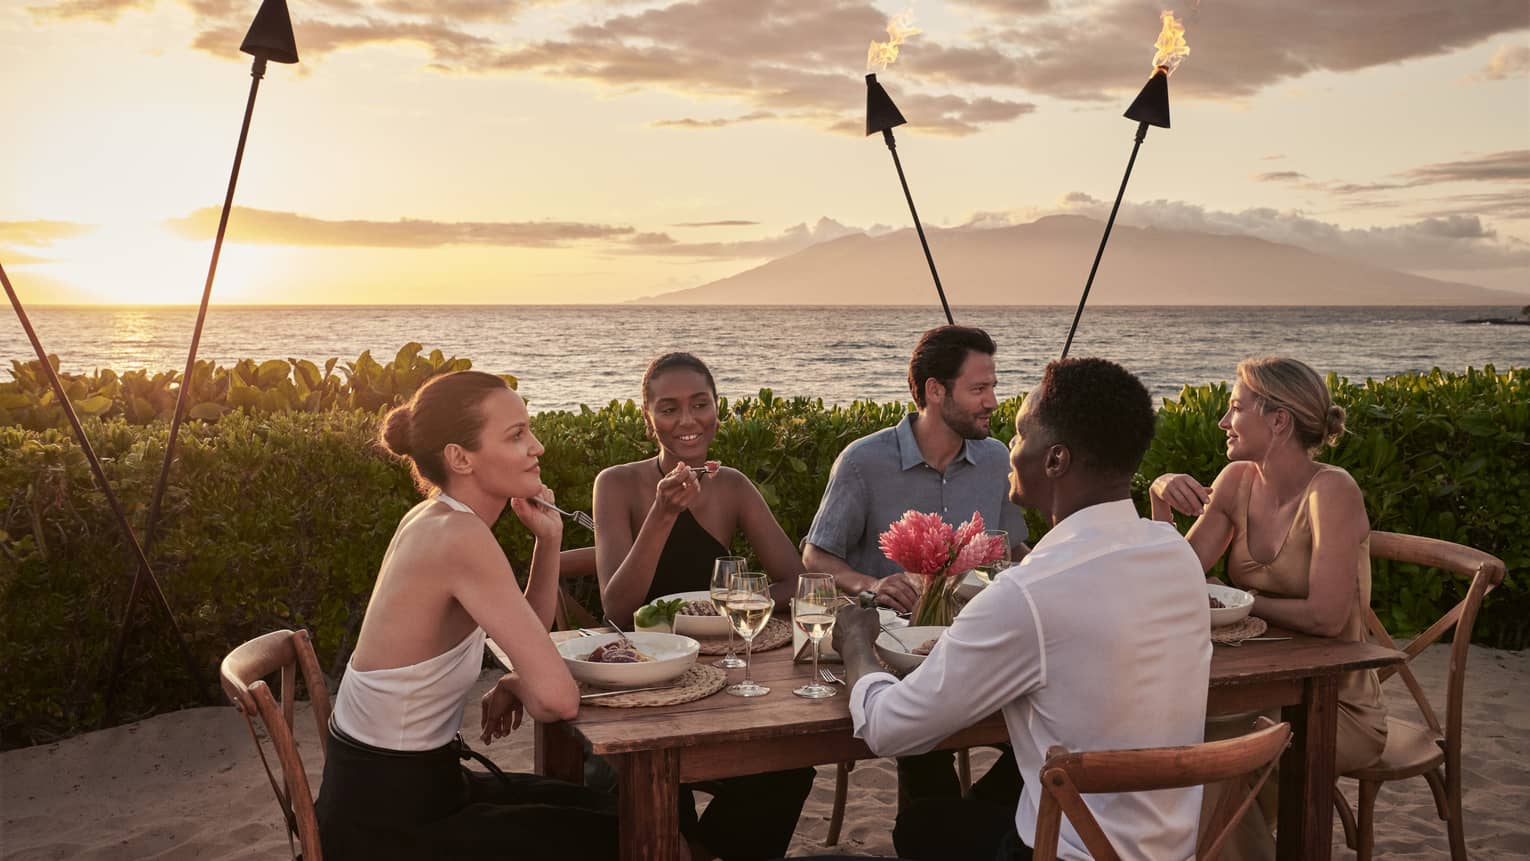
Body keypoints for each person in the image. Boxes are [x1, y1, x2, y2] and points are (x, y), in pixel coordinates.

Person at [832, 357, 1212, 861]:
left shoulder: (1028, 592)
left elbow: (889, 728)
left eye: (1019, 434)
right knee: (937, 820)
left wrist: (857, 641)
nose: (1009, 450)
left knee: (910, 831)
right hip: (1169, 849)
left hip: (1062, 852)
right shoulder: (1175, 554)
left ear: (1055, 460)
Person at [315, 370, 618, 860]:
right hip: (391, 825)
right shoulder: (459, 537)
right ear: (460, 457)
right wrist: (521, 684)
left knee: (614, 813)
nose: (536, 446)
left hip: (401, 789)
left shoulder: (436, 517)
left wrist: (549, 540)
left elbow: (529, 632)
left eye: (530, 429)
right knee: (635, 835)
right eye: (517, 435)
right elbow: (558, 701)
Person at [1149, 356, 1384, 858]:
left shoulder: (1332, 490)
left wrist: (1243, 601)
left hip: (1334, 704)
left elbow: (1325, 616)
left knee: (1211, 757)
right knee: (1175, 734)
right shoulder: (1237, 479)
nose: (1222, 422)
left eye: (1234, 408)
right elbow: (1181, 578)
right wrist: (1160, 500)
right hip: (1264, 687)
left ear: (1279, 421)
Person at [801, 324, 1029, 830]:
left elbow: (1014, 550)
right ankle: (946, 831)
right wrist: (871, 584)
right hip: (894, 654)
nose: (993, 400)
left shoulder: (997, 459)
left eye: (993, 385)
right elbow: (816, 556)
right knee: (923, 744)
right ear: (934, 391)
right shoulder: (863, 460)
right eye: (979, 388)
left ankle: (962, 828)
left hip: (977, 644)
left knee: (1044, 725)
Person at [591, 351, 813, 861]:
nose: (687, 421)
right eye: (668, 409)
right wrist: (662, 514)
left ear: (718, 409)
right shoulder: (617, 484)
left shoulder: (732, 485)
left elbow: (796, 582)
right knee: (653, 785)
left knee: (789, 770)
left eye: (700, 404)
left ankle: (704, 850)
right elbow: (618, 611)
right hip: (643, 683)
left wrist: (726, 606)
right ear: (648, 420)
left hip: (722, 675)